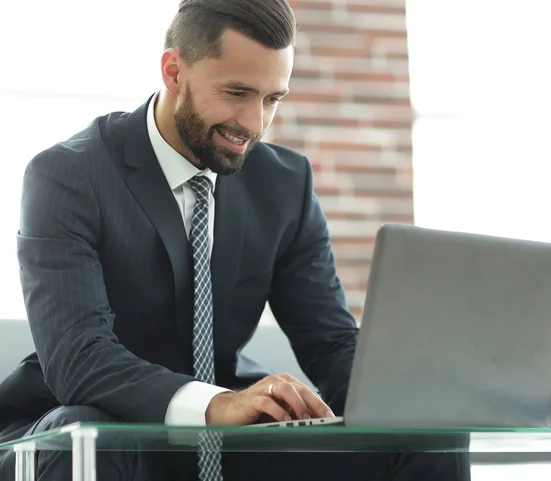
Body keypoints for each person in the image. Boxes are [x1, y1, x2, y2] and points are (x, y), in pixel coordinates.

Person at [0, 0, 470, 479]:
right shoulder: (68, 175)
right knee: (92, 433)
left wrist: (417, 405)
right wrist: (215, 404)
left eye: (272, 99)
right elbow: (80, 358)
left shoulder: (285, 185)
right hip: (85, 426)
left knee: (426, 436)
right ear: (173, 70)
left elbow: (329, 344)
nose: (254, 123)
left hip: (231, 431)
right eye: (237, 92)